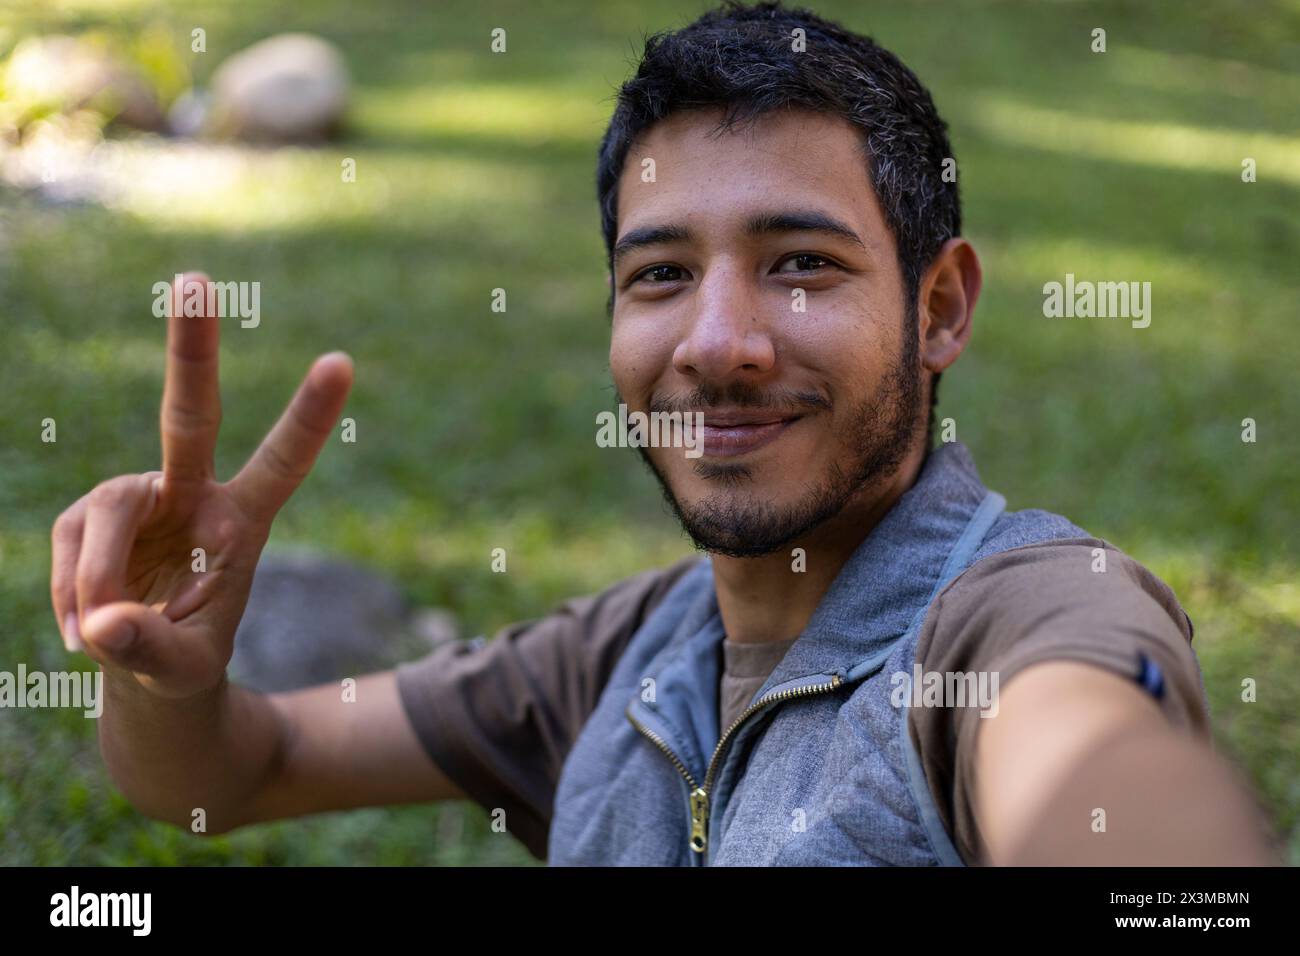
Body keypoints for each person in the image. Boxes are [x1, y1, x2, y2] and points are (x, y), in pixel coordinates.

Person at [49, 1, 1274, 865]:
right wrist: (174, 672)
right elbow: (225, 776)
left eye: (800, 263)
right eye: (659, 275)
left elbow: (1093, 765)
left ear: (938, 307)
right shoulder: (620, 657)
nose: (718, 342)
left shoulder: (1026, 613)